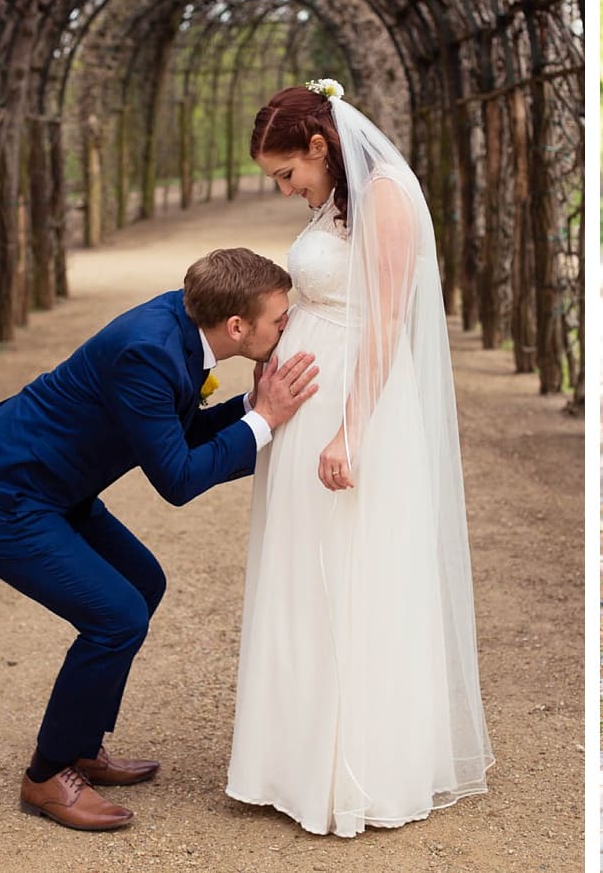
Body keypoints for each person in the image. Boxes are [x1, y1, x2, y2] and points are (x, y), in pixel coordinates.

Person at [0, 248, 320, 832]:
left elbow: (181, 434)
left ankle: (83, 745)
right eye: (279, 317)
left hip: (54, 489)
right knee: (116, 616)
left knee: (143, 583)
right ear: (237, 326)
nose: (286, 325)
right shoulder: (148, 352)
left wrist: (251, 407)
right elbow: (178, 479)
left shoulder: (184, 328)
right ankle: (47, 775)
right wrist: (263, 421)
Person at [227, 78, 492, 836]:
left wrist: (351, 429)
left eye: (288, 173)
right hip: (301, 401)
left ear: (319, 145)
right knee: (300, 569)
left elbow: (384, 324)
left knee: (351, 569)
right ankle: (290, 757)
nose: (286, 190)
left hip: (354, 400)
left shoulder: (386, 199)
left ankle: (356, 767)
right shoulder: (331, 202)